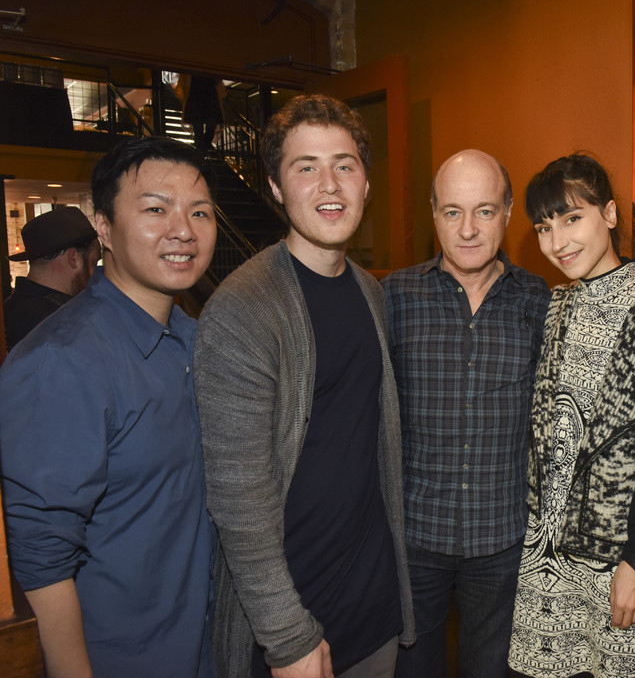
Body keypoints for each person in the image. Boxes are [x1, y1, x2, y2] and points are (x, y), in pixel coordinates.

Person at [194, 93, 414, 678]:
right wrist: (287, 635)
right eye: (305, 167)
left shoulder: (371, 292)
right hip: (290, 625)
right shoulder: (242, 309)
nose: (330, 185)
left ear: (366, 184)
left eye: (345, 165)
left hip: (373, 610)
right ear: (274, 186)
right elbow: (238, 499)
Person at [0, 136, 217, 677]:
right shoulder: (61, 361)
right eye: (154, 209)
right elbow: (43, 554)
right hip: (127, 655)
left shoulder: (199, 340)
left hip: (210, 643)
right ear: (103, 228)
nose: (183, 230)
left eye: (199, 212)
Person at [507, 154, 635, 678]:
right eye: (543, 227)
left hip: (618, 558)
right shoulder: (557, 301)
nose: (556, 241)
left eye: (571, 219)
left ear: (609, 215)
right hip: (545, 552)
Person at [383, 149, 550, 678]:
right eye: (453, 211)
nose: (469, 229)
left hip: (502, 539)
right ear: (433, 214)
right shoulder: (392, 297)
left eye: (484, 210)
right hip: (414, 537)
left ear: (506, 213)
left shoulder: (539, 300)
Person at [4, 207, 102, 348]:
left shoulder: (8, 312)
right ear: (74, 258)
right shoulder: (66, 322)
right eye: (94, 262)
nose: (96, 275)